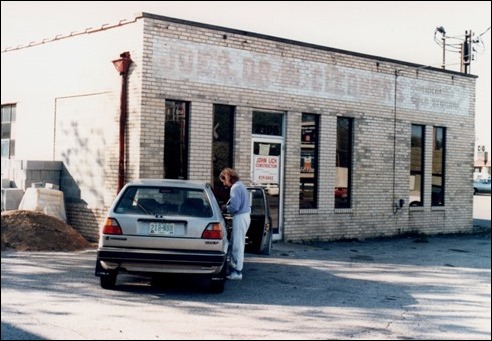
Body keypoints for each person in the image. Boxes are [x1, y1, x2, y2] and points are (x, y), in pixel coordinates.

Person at [219, 168, 251, 280]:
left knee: (237, 245)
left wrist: (225, 207)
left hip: (240, 216)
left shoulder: (235, 188)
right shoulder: (241, 185)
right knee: (236, 242)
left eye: (224, 180)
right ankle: (234, 268)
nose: (224, 183)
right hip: (245, 215)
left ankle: (237, 272)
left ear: (228, 178)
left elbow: (234, 207)